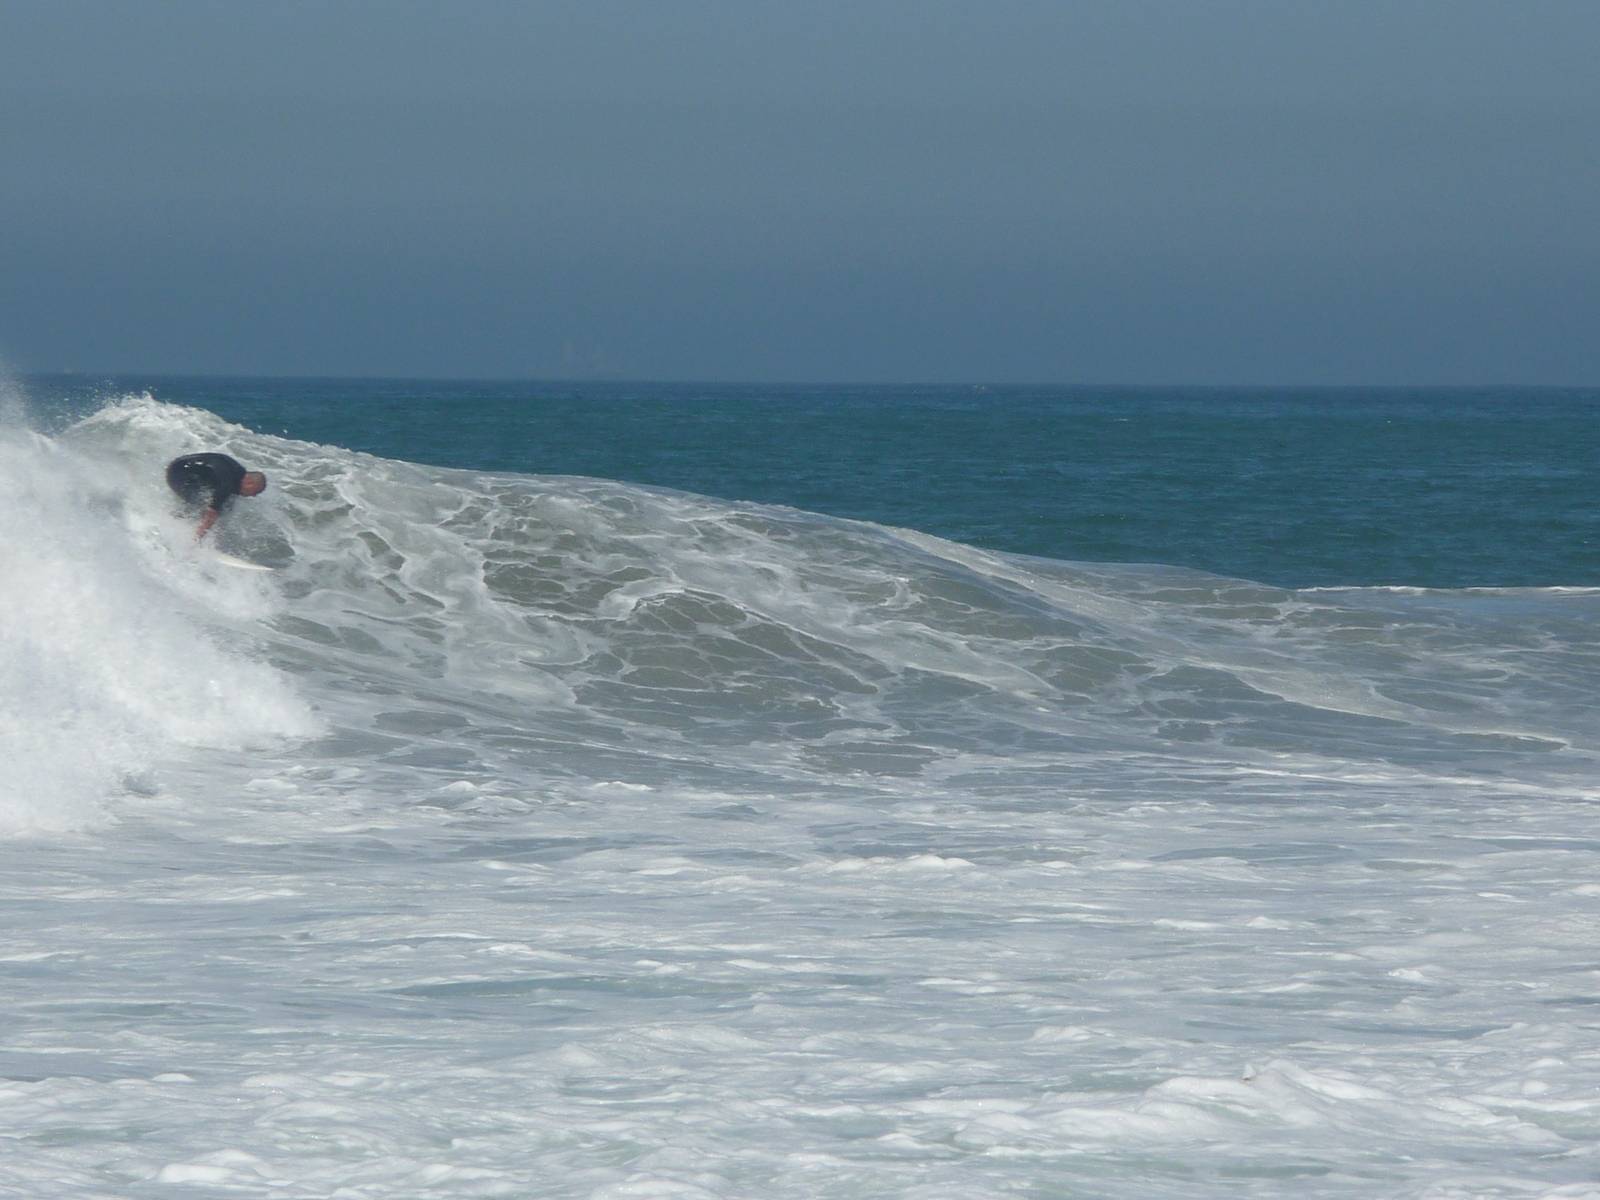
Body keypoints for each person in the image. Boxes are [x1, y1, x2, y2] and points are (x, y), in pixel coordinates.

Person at [165, 452, 267, 540]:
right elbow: (211, 514)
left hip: (184, 466)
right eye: (255, 492)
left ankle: (181, 520)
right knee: (203, 508)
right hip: (178, 472)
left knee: (224, 508)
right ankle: (174, 523)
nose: (253, 496)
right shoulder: (228, 484)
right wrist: (197, 540)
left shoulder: (239, 474)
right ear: (249, 483)